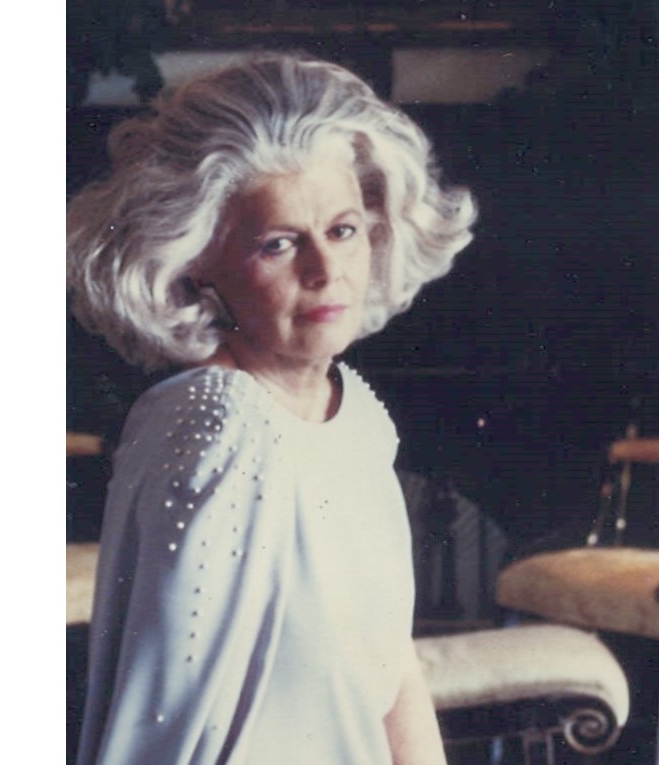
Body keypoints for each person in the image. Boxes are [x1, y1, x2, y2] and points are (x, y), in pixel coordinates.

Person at [67, 52, 476, 765]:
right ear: (199, 260)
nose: (324, 269)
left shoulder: (357, 417)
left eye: (343, 230)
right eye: (278, 244)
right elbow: (169, 720)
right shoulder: (214, 423)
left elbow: (390, 670)